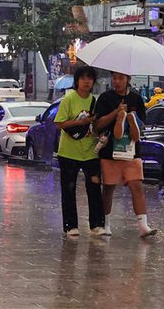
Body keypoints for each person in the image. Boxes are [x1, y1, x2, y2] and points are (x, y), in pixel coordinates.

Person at [94, 71, 157, 237]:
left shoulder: (136, 99)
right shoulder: (105, 98)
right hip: (110, 152)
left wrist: (134, 122)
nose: (117, 82)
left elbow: (143, 125)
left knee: (137, 186)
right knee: (108, 187)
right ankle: (105, 224)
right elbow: (98, 124)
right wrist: (116, 113)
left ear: (128, 79)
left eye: (121, 78)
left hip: (132, 151)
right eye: (114, 78)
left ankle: (143, 225)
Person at [54, 65, 105, 237]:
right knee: (68, 189)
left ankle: (96, 225)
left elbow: (96, 125)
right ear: (77, 81)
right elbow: (59, 123)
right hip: (68, 152)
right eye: (83, 78)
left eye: (89, 78)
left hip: (90, 151)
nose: (86, 81)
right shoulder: (68, 100)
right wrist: (80, 123)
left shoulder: (94, 101)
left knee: (94, 187)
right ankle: (70, 226)